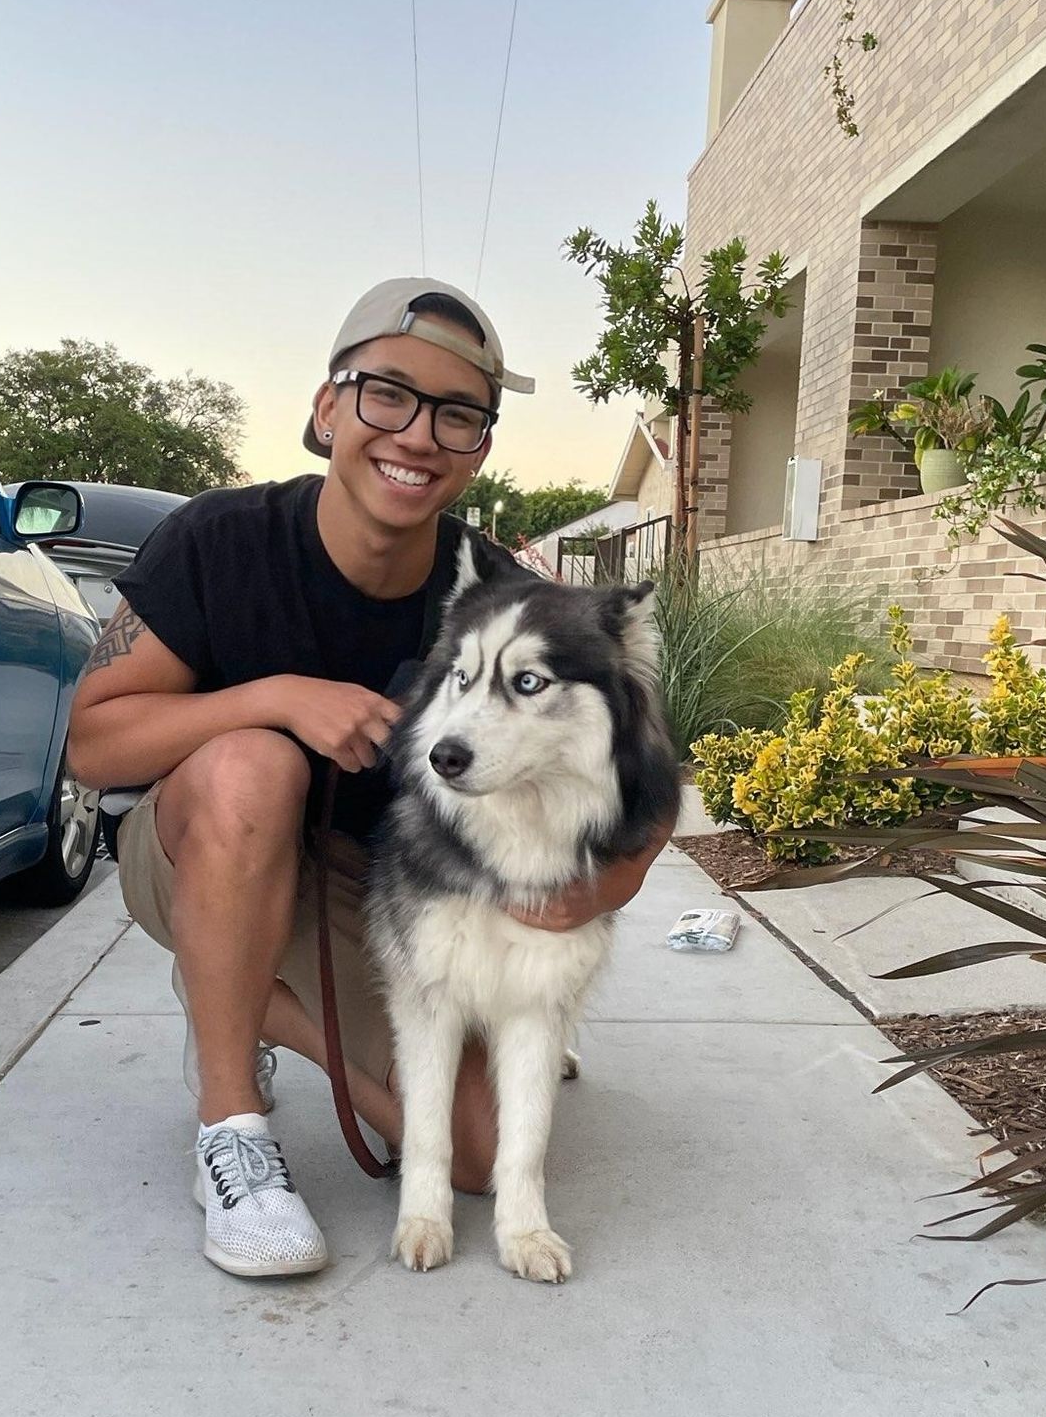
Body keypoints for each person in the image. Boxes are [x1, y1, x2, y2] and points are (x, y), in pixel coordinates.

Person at [67, 279, 674, 1278]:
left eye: (456, 414)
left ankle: (244, 995)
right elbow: (92, 743)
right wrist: (276, 698)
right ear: (328, 408)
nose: (418, 435)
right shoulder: (218, 540)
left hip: (376, 881)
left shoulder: (503, 599)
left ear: (479, 449)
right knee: (254, 763)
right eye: (387, 394)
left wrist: (605, 885)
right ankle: (232, 1125)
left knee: (477, 1156)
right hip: (200, 845)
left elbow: (637, 761)